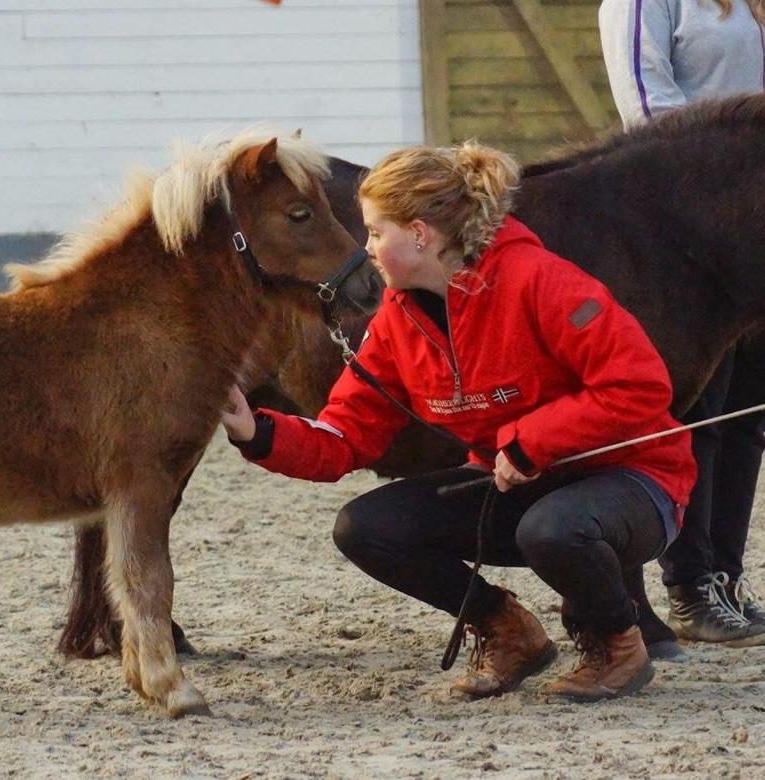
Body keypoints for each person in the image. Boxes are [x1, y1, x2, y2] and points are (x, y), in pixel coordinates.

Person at [220, 143, 697, 701]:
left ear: (419, 235)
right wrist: (256, 430)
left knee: (552, 528)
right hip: (521, 486)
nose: (364, 248)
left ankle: (617, 646)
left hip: (636, 485)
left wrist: (530, 443)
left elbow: (638, 386)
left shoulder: (539, 280)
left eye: (375, 232)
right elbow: (345, 437)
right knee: (365, 527)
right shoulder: (396, 320)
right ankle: (506, 629)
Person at [599, 0, 765, 645]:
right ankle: (688, 581)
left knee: (745, 419)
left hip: (750, 232)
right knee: (700, 413)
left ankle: (726, 575)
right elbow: (647, 109)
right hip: (687, 234)